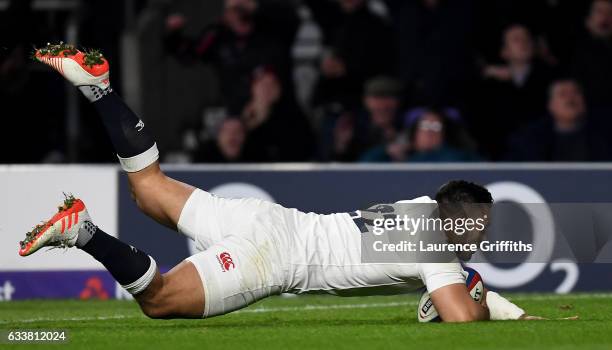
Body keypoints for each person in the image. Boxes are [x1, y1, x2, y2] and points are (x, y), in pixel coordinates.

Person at [26, 44, 533, 323]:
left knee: (148, 189)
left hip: (266, 218)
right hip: (273, 257)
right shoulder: (436, 246)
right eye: (478, 226)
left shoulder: (423, 208)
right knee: (159, 301)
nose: (481, 237)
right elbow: (463, 320)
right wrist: (481, 300)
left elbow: (455, 282)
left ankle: (99, 88)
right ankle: (83, 232)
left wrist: (501, 305)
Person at [164, 0, 299, 114]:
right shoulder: (218, 36)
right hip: (239, 118)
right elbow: (189, 54)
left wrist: (255, 6)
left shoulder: (271, 28)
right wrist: (174, 35)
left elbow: (293, 20)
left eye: (240, 9)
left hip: (282, 109)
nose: (236, 14)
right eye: (232, 9)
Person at [474, 24, 557, 159]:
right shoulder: (489, 84)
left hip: (544, 153)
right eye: (516, 39)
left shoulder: (550, 77)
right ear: (504, 51)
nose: (524, 43)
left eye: (527, 38)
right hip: (500, 156)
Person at [506, 79, 612, 161]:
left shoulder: (605, 134)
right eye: (563, 94)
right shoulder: (528, 139)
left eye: (576, 92)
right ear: (550, 105)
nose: (571, 98)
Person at [571, 0, 612, 112]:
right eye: (600, 12)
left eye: (610, 12)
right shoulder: (575, 52)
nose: (605, 17)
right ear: (588, 20)